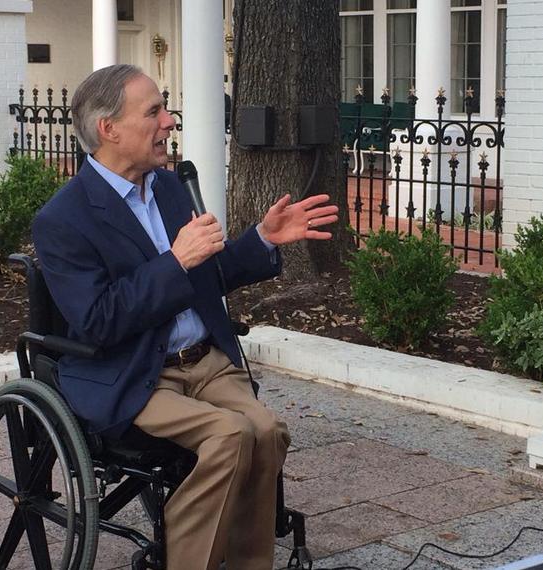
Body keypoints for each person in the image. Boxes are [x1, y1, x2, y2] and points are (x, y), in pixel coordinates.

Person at [32, 64, 338, 570]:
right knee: (229, 436)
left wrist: (262, 238)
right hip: (134, 372)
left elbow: (206, 276)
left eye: (165, 109)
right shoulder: (64, 219)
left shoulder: (170, 188)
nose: (169, 121)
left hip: (206, 362)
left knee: (266, 430)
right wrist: (174, 261)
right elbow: (97, 321)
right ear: (109, 129)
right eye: (153, 111)